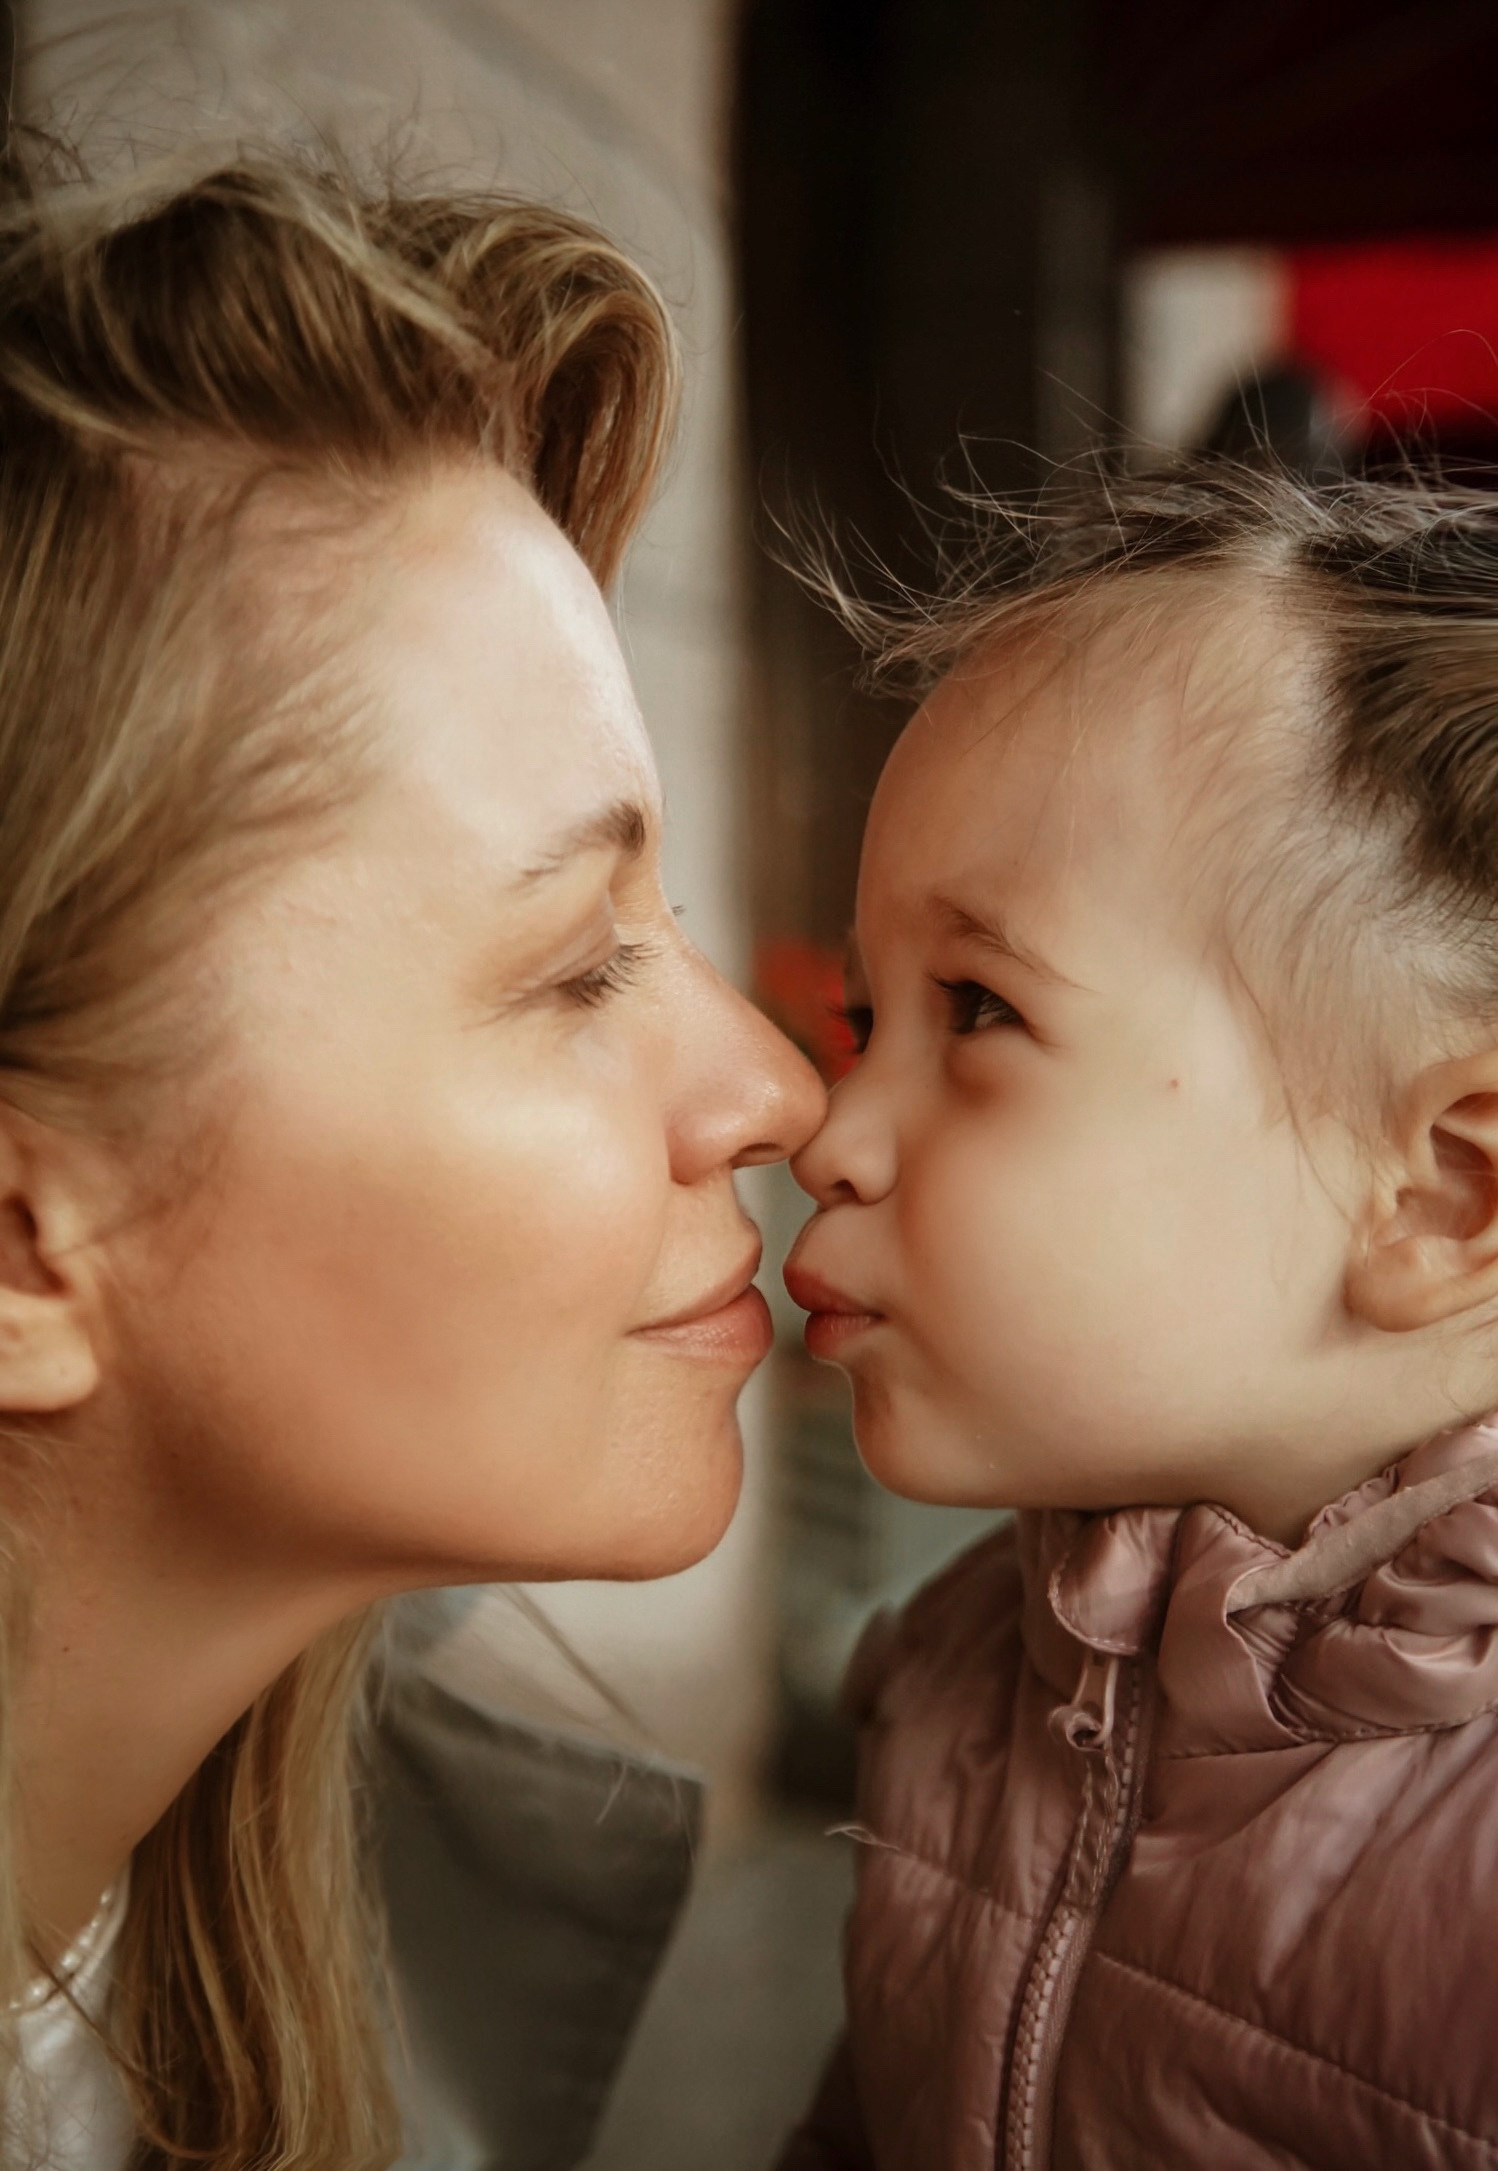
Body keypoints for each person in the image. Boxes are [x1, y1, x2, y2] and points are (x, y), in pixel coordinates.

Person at [0, 147, 823, 2169]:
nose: (773, 1090)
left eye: (672, 926)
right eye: (571, 971)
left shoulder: (268, 1942)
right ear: (23, 1247)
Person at [778, 463, 1498, 2169]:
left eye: (973, 1009)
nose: (825, 1136)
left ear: (1437, 1199)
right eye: (862, 1014)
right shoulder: (971, 1666)